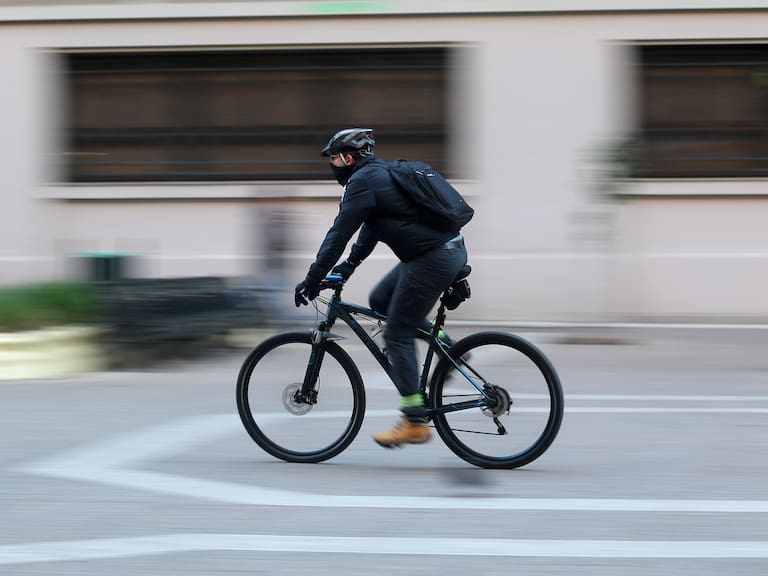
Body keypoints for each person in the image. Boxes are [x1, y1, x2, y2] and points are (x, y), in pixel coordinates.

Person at [295, 128, 469, 448]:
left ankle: (414, 420)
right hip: (444, 252)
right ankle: (446, 346)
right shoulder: (380, 174)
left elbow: (338, 234)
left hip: (432, 259)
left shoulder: (362, 182)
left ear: (347, 158)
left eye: (333, 159)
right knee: (381, 299)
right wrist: (346, 268)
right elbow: (371, 229)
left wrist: (311, 278)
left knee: (397, 333)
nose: (332, 165)